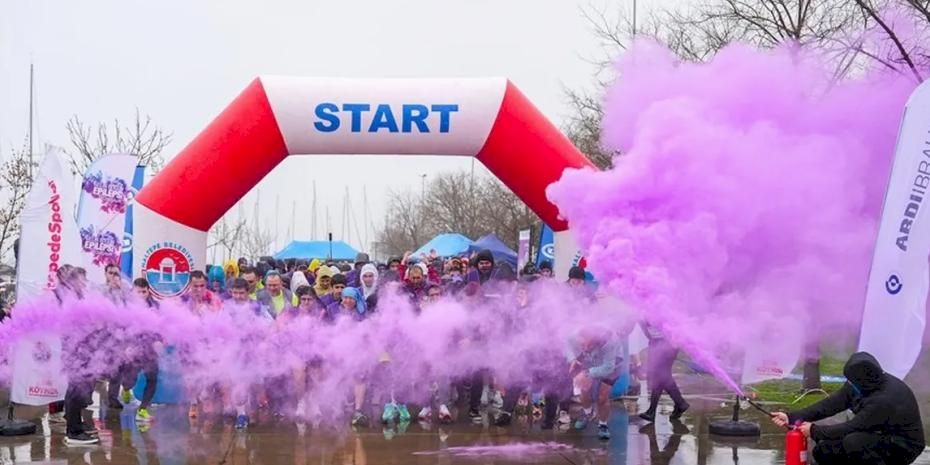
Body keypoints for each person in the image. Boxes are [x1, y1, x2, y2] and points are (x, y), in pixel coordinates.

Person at [772, 352, 925, 465]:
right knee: (824, 450)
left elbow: (851, 427)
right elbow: (829, 405)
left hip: (903, 446)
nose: (849, 385)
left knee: (855, 441)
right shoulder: (861, 383)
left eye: (851, 382)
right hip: (877, 436)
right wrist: (792, 417)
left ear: (862, 380)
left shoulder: (883, 400)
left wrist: (814, 431)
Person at [567, 326, 623, 440]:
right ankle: (588, 413)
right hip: (589, 361)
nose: (585, 348)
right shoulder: (574, 335)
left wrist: (587, 373)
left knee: (602, 396)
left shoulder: (610, 340)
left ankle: (603, 424)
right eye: (582, 345)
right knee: (584, 388)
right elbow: (566, 346)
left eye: (589, 345)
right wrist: (572, 359)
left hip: (612, 363)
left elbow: (608, 367)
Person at [638, 321, 689, 423]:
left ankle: (680, 403)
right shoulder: (643, 310)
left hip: (667, 343)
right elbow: (645, 328)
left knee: (661, 375)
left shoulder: (657, 308)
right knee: (659, 376)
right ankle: (653, 410)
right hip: (657, 342)